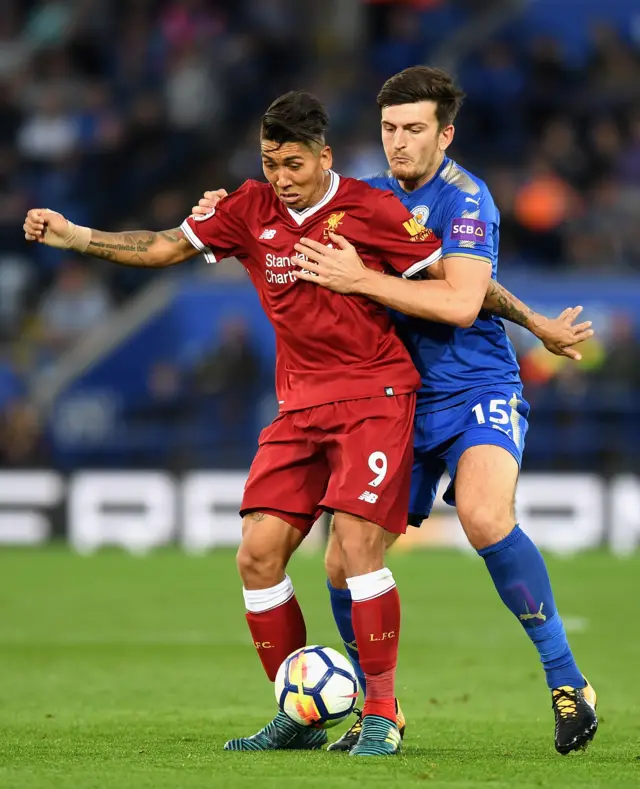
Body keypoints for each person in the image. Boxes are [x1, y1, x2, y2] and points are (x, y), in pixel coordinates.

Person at [24, 89, 467, 757]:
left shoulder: (374, 211)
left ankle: (380, 713)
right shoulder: (249, 207)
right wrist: (76, 235)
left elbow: (446, 292)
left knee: (354, 551)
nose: (282, 180)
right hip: (299, 407)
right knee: (257, 557)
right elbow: (164, 247)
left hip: (374, 397)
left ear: (324, 156)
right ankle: (299, 712)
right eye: (270, 163)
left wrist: (368, 283)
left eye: (294, 164)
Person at [290, 67, 597, 756]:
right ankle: (379, 710)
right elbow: (470, 280)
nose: (398, 142)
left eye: (414, 129)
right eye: (389, 129)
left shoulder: (466, 198)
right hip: (395, 399)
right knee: (342, 559)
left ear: (445, 133)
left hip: (477, 387)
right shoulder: (365, 196)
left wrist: (358, 277)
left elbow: (461, 301)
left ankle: (566, 680)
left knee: (486, 516)